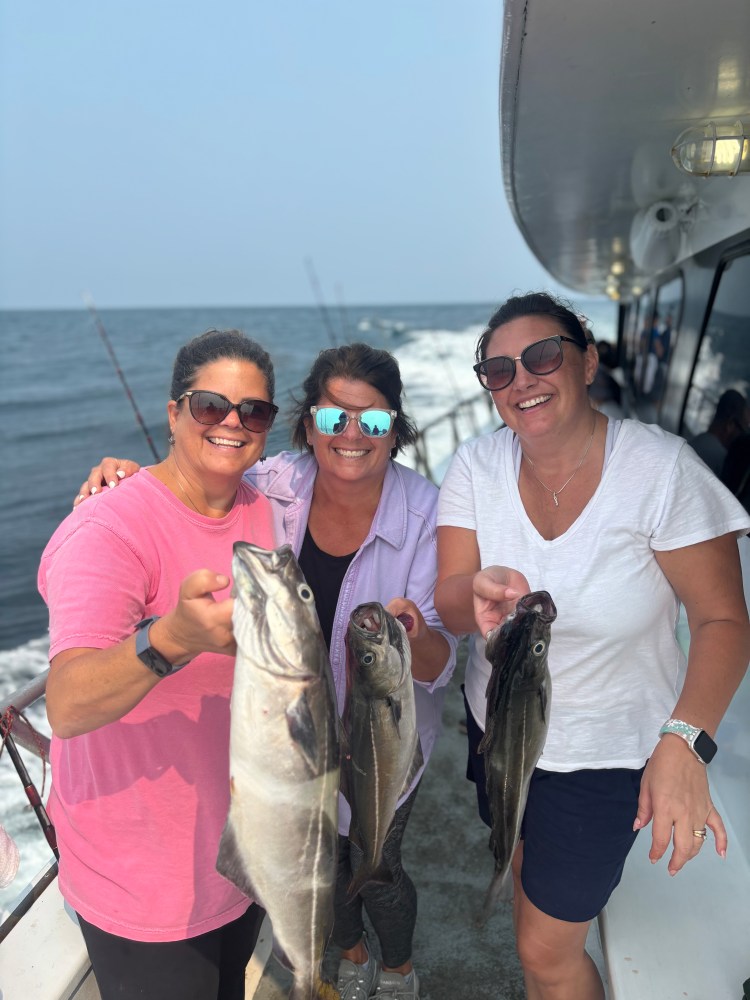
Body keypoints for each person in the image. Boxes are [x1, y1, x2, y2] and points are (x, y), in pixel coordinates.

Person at [74, 342, 458, 1000]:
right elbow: (201, 481)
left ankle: (397, 970)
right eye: (335, 419)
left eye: (373, 421)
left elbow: (443, 660)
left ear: (396, 430)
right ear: (308, 424)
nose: (352, 437)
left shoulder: (428, 515)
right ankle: (349, 952)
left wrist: (413, 636)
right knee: (318, 866)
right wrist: (132, 477)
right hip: (282, 738)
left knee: (377, 864)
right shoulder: (273, 483)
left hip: (379, 740)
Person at [434, 292, 750, 1000]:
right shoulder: (475, 468)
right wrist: (475, 588)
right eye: (498, 369)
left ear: (586, 361)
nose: (523, 380)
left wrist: (684, 743)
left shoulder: (661, 471)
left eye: (543, 356)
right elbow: (451, 602)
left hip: (607, 756)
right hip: (503, 735)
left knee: (543, 954)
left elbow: (724, 621)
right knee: (523, 870)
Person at [39, 330, 279, 1000]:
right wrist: (170, 637)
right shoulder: (107, 531)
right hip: (144, 881)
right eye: (210, 407)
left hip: (244, 851)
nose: (233, 424)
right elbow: (67, 703)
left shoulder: (266, 507)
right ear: (174, 413)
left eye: (254, 412)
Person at [688, 388, 749, 476]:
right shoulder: (722, 461)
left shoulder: (695, 442)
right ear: (730, 424)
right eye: (744, 430)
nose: (743, 437)